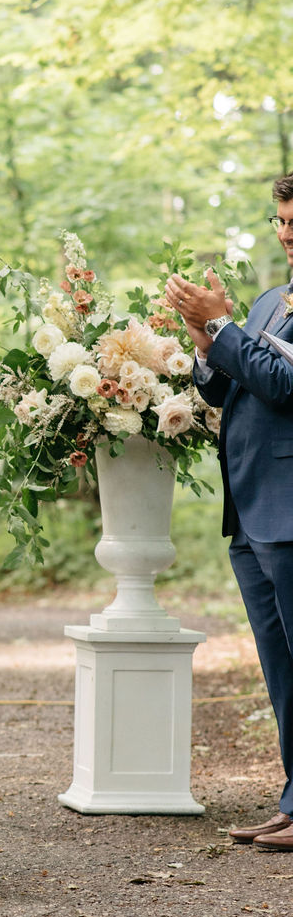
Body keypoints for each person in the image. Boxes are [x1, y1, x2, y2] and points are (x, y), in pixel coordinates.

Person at [165, 172, 293, 851]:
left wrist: (220, 322)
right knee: (279, 668)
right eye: (280, 220)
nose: (286, 233)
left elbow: (282, 384)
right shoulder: (273, 299)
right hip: (248, 510)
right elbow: (221, 383)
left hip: (291, 510)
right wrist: (200, 335)